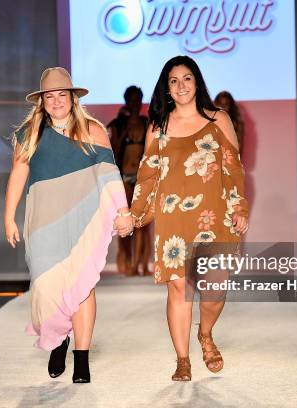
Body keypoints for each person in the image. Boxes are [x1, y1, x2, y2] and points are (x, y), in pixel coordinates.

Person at [119, 56, 249, 381]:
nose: (181, 85)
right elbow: (147, 178)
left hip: (214, 216)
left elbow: (233, 168)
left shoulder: (218, 119)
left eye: (187, 78)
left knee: (215, 290)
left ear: (197, 81)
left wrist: (239, 208)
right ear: (166, 88)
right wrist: (135, 216)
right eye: (174, 80)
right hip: (173, 218)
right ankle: (183, 359)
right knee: (179, 288)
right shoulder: (157, 128)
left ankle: (205, 334)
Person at [4, 67, 132, 383]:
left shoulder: (93, 130)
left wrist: (123, 211)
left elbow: (109, 174)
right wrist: (8, 216)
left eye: (63, 94)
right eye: (50, 96)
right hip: (43, 220)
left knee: (82, 285)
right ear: (42, 101)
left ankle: (82, 358)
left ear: (72, 98)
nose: (57, 101)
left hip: (83, 218)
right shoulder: (29, 134)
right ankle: (59, 339)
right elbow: (18, 175)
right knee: (46, 288)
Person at [107, 86, 151, 276]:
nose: (134, 103)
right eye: (131, 99)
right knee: (125, 222)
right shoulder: (117, 124)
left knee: (142, 223)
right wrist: (125, 127)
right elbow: (112, 151)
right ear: (126, 101)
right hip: (123, 176)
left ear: (141, 101)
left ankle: (140, 264)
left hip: (142, 178)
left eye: (138, 99)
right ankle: (125, 259)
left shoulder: (147, 122)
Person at [214, 91, 245, 157]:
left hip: (230, 160)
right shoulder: (208, 121)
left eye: (225, 105)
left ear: (230, 107)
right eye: (220, 105)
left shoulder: (238, 123)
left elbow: (239, 148)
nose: (222, 108)